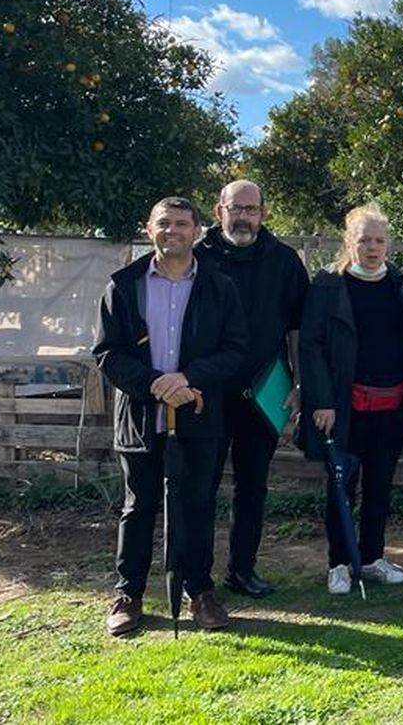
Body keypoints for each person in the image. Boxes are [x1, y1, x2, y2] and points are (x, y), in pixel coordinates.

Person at [95, 197, 248, 637]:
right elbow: (107, 352)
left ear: (197, 231)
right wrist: (155, 384)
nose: (172, 231)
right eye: (164, 223)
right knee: (138, 506)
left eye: (182, 223)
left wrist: (187, 378)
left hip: (198, 413)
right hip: (141, 416)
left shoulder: (219, 287)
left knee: (197, 504)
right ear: (149, 229)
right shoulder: (123, 285)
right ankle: (129, 594)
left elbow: (235, 349)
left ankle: (200, 591)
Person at [194, 179, 309, 599]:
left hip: (263, 393)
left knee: (253, 486)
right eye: (235, 209)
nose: (243, 217)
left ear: (263, 213)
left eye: (251, 209)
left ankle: (242, 570)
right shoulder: (197, 257)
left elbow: (298, 327)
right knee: (201, 486)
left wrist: (300, 382)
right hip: (205, 393)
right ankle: (196, 578)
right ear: (219, 211)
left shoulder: (284, 260)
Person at [297, 204, 403, 594]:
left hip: (391, 407)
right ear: (349, 241)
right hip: (344, 409)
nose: (372, 247)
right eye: (364, 240)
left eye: (379, 240)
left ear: (388, 245)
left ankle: (370, 558)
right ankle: (339, 563)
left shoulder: (399, 284)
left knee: (380, 487)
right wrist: (322, 401)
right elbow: (311, 347)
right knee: (341, 488)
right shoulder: (328, 286)